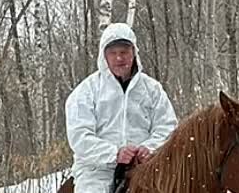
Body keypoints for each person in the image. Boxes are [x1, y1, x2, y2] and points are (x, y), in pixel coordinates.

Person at [65, 22, 178, 193]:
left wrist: (150, 148)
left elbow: (168, 127)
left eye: (124, 52)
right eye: (113, 53)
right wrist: (115, 154)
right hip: (96, 172)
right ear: (104, 56)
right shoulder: (85, 92)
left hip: (146, 167)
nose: (119, 58)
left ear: (134, 53)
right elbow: (80, 137)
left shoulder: (152, 89)